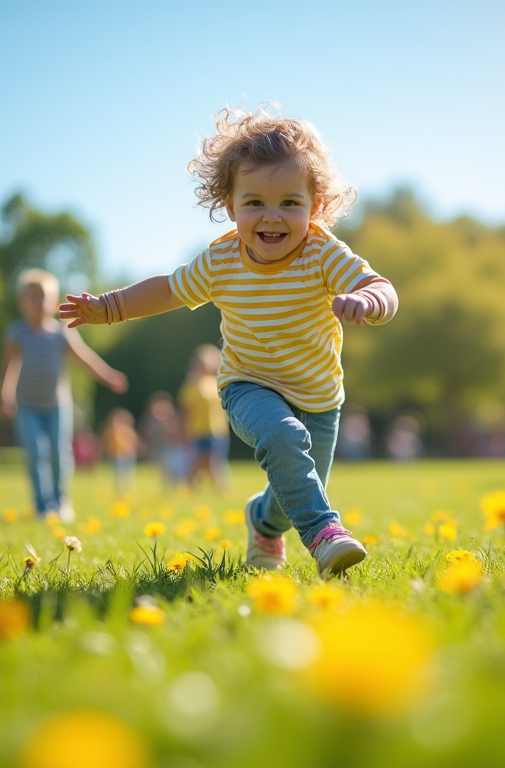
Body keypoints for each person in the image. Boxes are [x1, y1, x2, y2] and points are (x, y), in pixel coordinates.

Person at [60, 106, 399, 578]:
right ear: (229, 203)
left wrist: (369, 300)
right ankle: (326, 535)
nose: (272, 217)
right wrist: (112, 306)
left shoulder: (323, 253)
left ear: (315, 205)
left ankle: (263, 523)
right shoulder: (222, 261)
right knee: (284, 439)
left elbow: (381, 285)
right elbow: (168, 289)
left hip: (321, 399)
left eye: (290, 203)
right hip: (247, 386)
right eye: (255, 202)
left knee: (295, 487)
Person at [0, 268, 129, 522]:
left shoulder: (62, 332)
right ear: (22, 302)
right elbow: (7, 367)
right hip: (26, 405)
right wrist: (4, 396)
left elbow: (85, 358)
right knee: (36, 453)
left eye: (44, 296)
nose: (39, 302)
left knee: (60, 453)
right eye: (33, 297)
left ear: (54, 300)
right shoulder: (16, 334)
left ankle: (61, 501)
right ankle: (42, 506)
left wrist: (108, 375)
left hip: (58, 404)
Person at [177, 344, 231, 490]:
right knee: (204, 462)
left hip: (219, 430)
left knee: (214, 461)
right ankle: (217, 488)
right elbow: (186, 410)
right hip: (199, 430)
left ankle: (199, 486)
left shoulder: (217, 382)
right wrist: (183, 432)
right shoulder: (192, 383)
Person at [101, 408, 140, 495]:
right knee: (118, 474)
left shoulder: (127, 431)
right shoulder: (110, 431)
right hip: (115, 456)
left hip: (126, 456)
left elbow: (133, 442)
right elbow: (106, 443)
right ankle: (120, 490)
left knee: (128, 474)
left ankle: (127, 490)